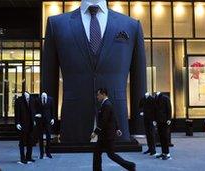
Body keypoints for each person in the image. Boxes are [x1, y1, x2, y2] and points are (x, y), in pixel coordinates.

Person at [42, 0, 147, 142]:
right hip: (73, 122)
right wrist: (49, 128)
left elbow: (139, 78)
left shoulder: (131, 25)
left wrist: (139, 128)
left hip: (116, 120)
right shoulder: (57, 24)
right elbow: (49, 78)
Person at [91, 88, 136, 171]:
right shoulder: (106, 104)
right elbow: (113, 117)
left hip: (107, 135)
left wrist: (95, 132)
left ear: (103, 94)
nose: (97, 96)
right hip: (106, 135)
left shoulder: (106, 105)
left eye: (98, 94)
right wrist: (117, 128)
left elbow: (104, 120)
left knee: (111, 154)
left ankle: (130, 165)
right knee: (98, 153)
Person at [14, 91, 36, 164]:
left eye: (28, 96)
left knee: (30, 142)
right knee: (22, 142)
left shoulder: (32, 99)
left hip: (31, 125)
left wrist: (34, 120)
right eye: (26, 96)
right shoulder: (19, 100)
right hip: (23, 125)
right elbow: (16, 112)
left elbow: (33, 110)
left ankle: (29, 157)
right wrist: (17, 123)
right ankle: (22, 158)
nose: (27, 97)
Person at [35, 92, 55, 159]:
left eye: (44, 96)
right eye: (42, 96)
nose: (43, 97)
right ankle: (41, 153)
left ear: (46, 96)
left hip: (48, 120)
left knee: (48, 136)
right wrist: (36, 115)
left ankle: (48, 152)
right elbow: (35, 109)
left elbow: (52, 109)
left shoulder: (50, 99)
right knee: (40, 137)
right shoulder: (37, 99)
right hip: (40, 121)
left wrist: (52, 118)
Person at [154, 92, 172, 160]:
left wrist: (169, 119)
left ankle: (167, 154)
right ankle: (163, 152)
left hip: (164, 121)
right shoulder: (156, 98)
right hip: (159, 121)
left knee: (165, 137)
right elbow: (155, 110)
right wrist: (155, 120)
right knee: (161, 137)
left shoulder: (165, 98)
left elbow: (169, 108)